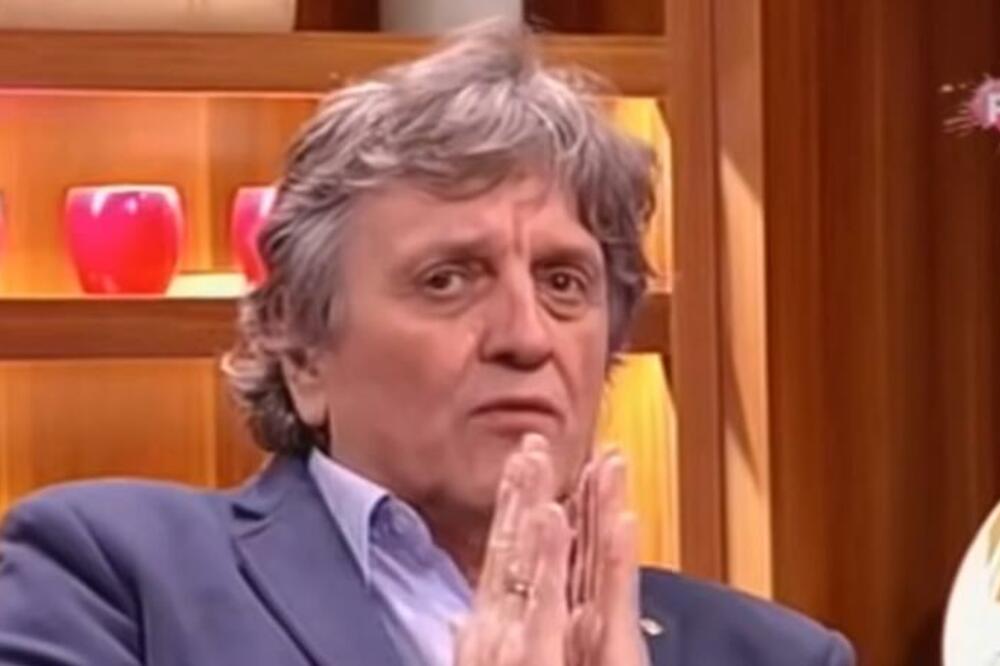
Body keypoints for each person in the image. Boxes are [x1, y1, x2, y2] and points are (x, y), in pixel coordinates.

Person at [0, 21, 854, 666]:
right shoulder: (107, 576)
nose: (527, 337)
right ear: (303, 348)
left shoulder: (773, 655)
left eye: (564, 282)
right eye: (448, 279)